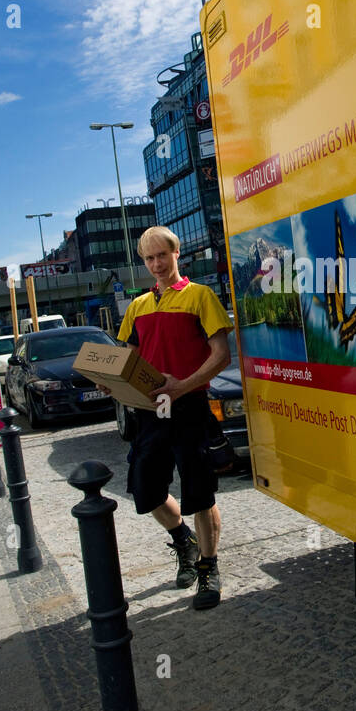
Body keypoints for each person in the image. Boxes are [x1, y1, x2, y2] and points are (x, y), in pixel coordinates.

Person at [111, 226, 232, 610]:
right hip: (152, 412)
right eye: (149, 258)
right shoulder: (137, 307)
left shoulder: (200, 296)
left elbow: (221, 356)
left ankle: (208, 568)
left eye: (162, 255)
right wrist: (110, 382)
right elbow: (127, 362)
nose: (156, 264)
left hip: (191, 406)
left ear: (177, 254)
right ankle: (184, 540)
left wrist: (182, 386)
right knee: (146, 492)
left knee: (199, 492)